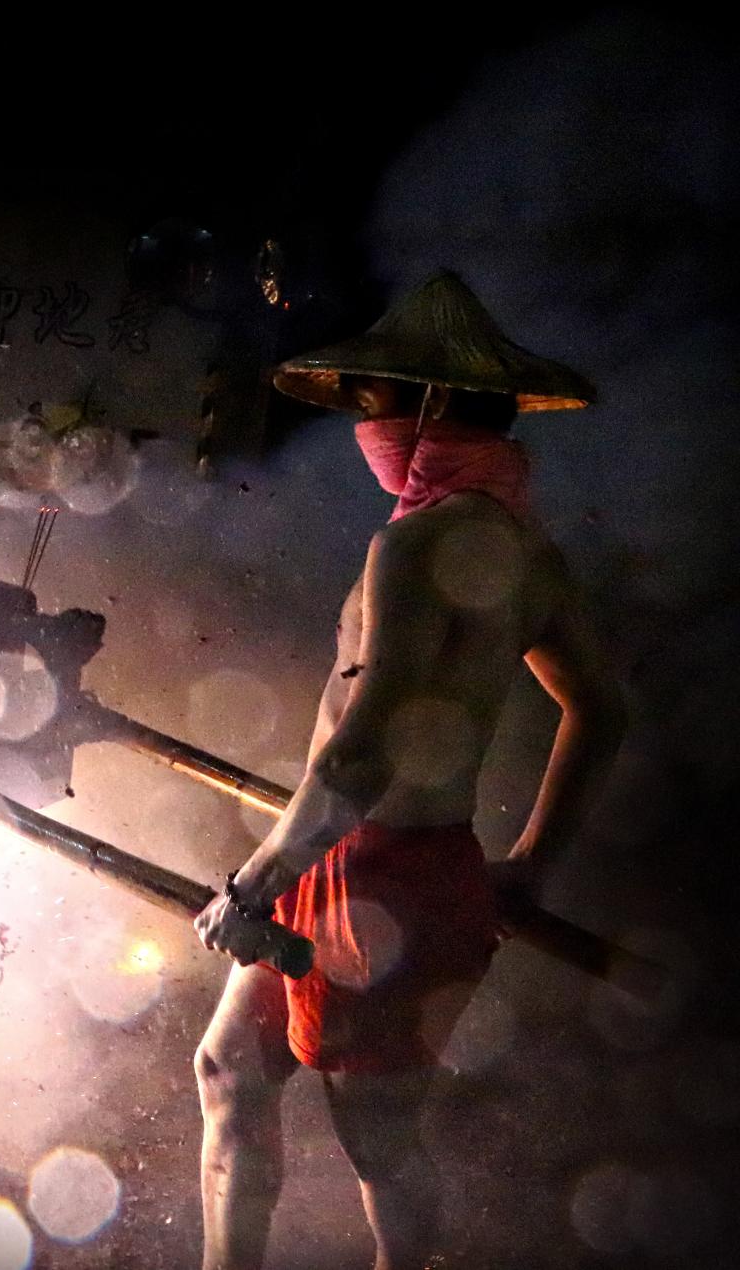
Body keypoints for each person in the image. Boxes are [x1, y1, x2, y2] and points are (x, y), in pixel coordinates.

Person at [190, 272, 627, 1270]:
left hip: (376, 876)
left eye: (376, 397)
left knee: (378, 1142)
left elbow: (362, 743)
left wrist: (250, 883)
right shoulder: (527, 550)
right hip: (368, 860)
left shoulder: (417, 543)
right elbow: (603, 710)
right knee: (231, 1071)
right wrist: (527, 864)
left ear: (431, 403)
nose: (366, 419)